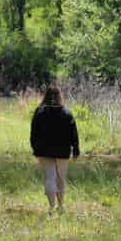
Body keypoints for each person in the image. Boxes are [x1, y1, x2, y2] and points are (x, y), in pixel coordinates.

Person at [29, 86, 80, 214]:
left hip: (44, 151)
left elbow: (33, 132)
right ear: (59, 96)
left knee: (50, 178)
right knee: (61, 179)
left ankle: (51, 207)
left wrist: (35, 148)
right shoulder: (67, 112)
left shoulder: (39, 112)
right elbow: (74, 133)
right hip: (63, 151)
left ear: (45, 96)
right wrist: (76, 150)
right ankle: (61, 206)